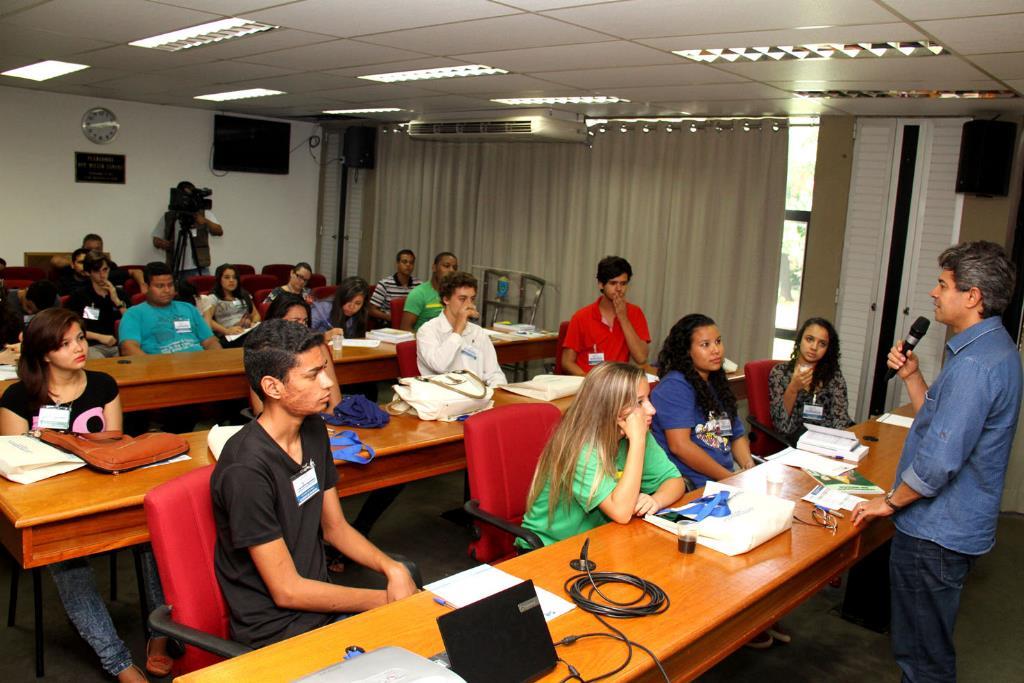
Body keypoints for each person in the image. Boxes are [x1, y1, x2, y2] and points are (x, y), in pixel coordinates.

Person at [853, 241, 1022, 682]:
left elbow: (939, 462)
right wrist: (912, 377)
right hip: (953, 528)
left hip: (936, 534)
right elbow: (944, 419)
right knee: (926, 647)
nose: (933, 292)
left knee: (922, 657)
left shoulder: (975, 365)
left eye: (943, 284)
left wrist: (888, 503)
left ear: (973, 296)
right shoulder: (994, 348)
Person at [211, 320, 417, 648]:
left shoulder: (312, 428)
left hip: (320, 608)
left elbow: (335, 528)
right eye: (312, 375)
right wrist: (384, 600)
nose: (328, 382)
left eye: (325, 369)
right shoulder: (246, 469)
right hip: (277, 631)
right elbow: (287, 590)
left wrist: (392, 569)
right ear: (273, 387)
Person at [0, 309, 168, 681]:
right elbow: (13, 464)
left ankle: (161, 634)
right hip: (52, 502)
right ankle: (120, 663)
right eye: (67, 343)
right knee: (69, 561)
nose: (80, 348)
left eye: (80, 338)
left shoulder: (103, 385)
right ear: (44, 353)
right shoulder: (18, 396)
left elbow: (116, 448)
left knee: (154, 535)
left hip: (104, 490)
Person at [520, 362, 684, 547]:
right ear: (611, 408)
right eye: (640, 402)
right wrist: (637, 441)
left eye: (648, 399)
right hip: (548, 549)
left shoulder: (637, 433)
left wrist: (656, 500)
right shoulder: (580, 449)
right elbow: (622, 512)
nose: (652, 410)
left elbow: (675, 481)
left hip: (601, 541)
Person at [650, 314, 755, 489]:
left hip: (726, 478)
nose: (716, 350)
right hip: (693, 485)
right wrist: (730, 479)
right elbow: (679, 446)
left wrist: (749, 468)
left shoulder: (717, 382)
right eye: (705, 345)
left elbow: (735, 435)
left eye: (718, 341)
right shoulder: (674, 386)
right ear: (687, 351)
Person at [562, 256, 651, 376]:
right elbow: (567, 362)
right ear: (601, 285)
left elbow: (641, 358)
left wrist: (623, 318)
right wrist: (589, 381)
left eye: (623, 283)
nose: (619, 289)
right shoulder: (581, 316)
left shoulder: (635, 313)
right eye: (613, 283)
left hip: (617, 383)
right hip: (588, 381)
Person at [416, 271, 507, 387]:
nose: (469, 305)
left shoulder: (477, 332)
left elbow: (494, 373)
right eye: (462, 299)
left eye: (472, 299)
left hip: (477, 395)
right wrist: (457, 331)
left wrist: (498, 393)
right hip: (442, 397)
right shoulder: (427, 331)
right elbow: (439, 365)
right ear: (446, 299)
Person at [253, 294, 341, 414]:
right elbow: (260, 411)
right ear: (276, 322)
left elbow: (335, 403)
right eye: (295, 321)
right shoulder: (262, 351)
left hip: (318, 420)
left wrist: (320, 427)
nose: (302, 327)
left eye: (305, 321)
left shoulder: (317, 347)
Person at [768, 317, 852, 439]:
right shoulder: (780, 372)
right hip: (794, 442)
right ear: (800, 339)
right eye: (809, 339)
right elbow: (781, 427)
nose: (814, 347)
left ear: (828, 349)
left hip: (828, 442)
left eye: (822, 344)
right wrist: (793, 388)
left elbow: (841, 421)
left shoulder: (833, 376)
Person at [119, 262, 221, 356]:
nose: (167, 290)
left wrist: (216, 360)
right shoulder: (133, 314)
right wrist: (153, 368)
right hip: (161, 368)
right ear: (146, 287)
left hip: (199, 365)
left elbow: (210, 341)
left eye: (170, 285)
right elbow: (129, 348)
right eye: (160, 286)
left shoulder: (188, 308)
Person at [152, 181, 223, 277]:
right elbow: (156, 240)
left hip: (199, 267)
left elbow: (219, 231)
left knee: (202, 291)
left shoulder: (203, 213)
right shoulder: (169, 216)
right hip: (175, 268)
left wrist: (205, 221)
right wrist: (164, 244)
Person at [66, 251, 126, 358]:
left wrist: (117, 301)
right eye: (97, 271)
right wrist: (99, 337)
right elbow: (71, 327)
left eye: (105, 270)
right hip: (93, 345)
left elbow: (131, 321)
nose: (102, 275)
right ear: (88, 272)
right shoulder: (79, 295)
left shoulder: (120, 293)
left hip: (119, 344)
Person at [51, 234, 143, 291]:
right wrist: (79, 261)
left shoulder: (108, 267)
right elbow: (55, 261)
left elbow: (135, 271)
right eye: (90, 250)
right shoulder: (72, 268)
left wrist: (143, 285)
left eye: (97, 250)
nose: (93, 253)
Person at [202, 263, 260, 347]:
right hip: (229, 336)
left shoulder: (244, 295)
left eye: (234, 277)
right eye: (227, 277)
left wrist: (253, 323)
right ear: (219, 280)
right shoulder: (213, 298)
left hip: (247, 331)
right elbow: (208, 320)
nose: (231, 280)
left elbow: (255, 314)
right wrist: (226, 331)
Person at [400, 252, 457, 332]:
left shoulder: (456, 294)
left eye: (454, 268)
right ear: (434, 268)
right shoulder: (418, 293)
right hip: (425, 341)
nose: (451, 270)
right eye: (446, 266)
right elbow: (405, 329)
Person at [311, 276, 369, 343]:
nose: (352, 306)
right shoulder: (322, 308)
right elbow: (301, 336)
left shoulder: (361, 313)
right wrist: (323, 336)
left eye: (358, 303)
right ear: (341, 297)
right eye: (348, 300)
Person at [369, 249, 420, 323]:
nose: (408, 265)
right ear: (397, 264)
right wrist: (391, 317)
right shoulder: (384, 284)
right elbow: (371, 310)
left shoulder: (419, 285)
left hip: (411, 323)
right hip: (389, 323)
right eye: (404, 262)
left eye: (411, 263)